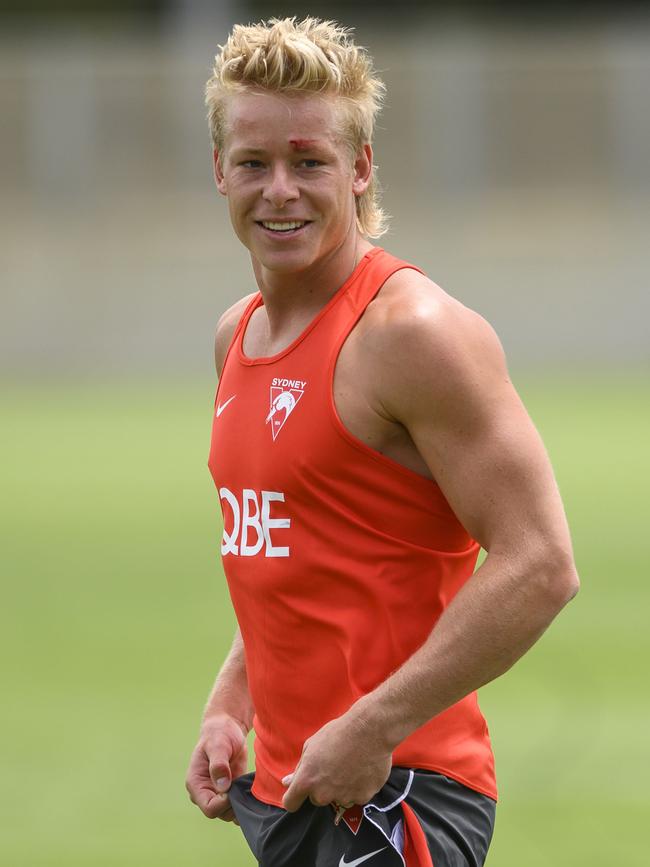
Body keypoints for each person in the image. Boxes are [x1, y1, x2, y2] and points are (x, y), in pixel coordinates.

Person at [185, 17, 579, 867]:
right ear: (219, 170)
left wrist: (374, 725)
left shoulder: (411, 332)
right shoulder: (236, 336)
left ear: (359, 169)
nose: (280, 189)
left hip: (404, 790)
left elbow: (541, 562)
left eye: (309, 160)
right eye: (254, 162)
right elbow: (299, 551)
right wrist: (230, 702)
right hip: (295, 791)